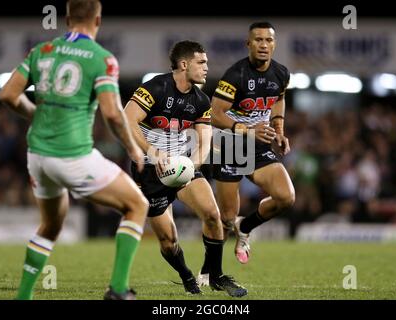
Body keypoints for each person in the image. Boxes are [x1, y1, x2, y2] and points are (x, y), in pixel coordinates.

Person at [0, 0, 148, 300]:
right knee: (137, 205)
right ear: (98, 21)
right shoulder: (101, 59)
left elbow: (8, 95)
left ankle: (23, 297)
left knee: (51, 225)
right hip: (72, 157)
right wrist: (133, 147)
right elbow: (111, 113)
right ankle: (118, 290)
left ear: (66, 20)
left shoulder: (41, 50)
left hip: (37, 157)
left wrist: (34, 113)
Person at [124, 40, 247, 297]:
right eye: (201, 62)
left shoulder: (201, 100)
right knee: (168, 242)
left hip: (182, 166)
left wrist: (192, 165)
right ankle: (187, 276)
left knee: (213, 216)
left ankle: (217, 276)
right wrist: (153, 153)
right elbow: (128, 119)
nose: (206, 67)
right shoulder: (155, 88)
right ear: (184, 64)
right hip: (149, 170)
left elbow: (204, 142)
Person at [198, 22, 295, 283]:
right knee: (226, 217)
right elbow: (214, 114)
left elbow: (278, 99)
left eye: (268, 40)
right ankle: (208, 269)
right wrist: (247, 129)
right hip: (229, 145)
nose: (264, 45)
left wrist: (279, 130)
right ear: (248, 44)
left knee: (286, 197)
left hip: (259, 145)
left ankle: (246, 227)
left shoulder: (281, 73)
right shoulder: (235, 75)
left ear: (274, 44)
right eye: (258, 40)